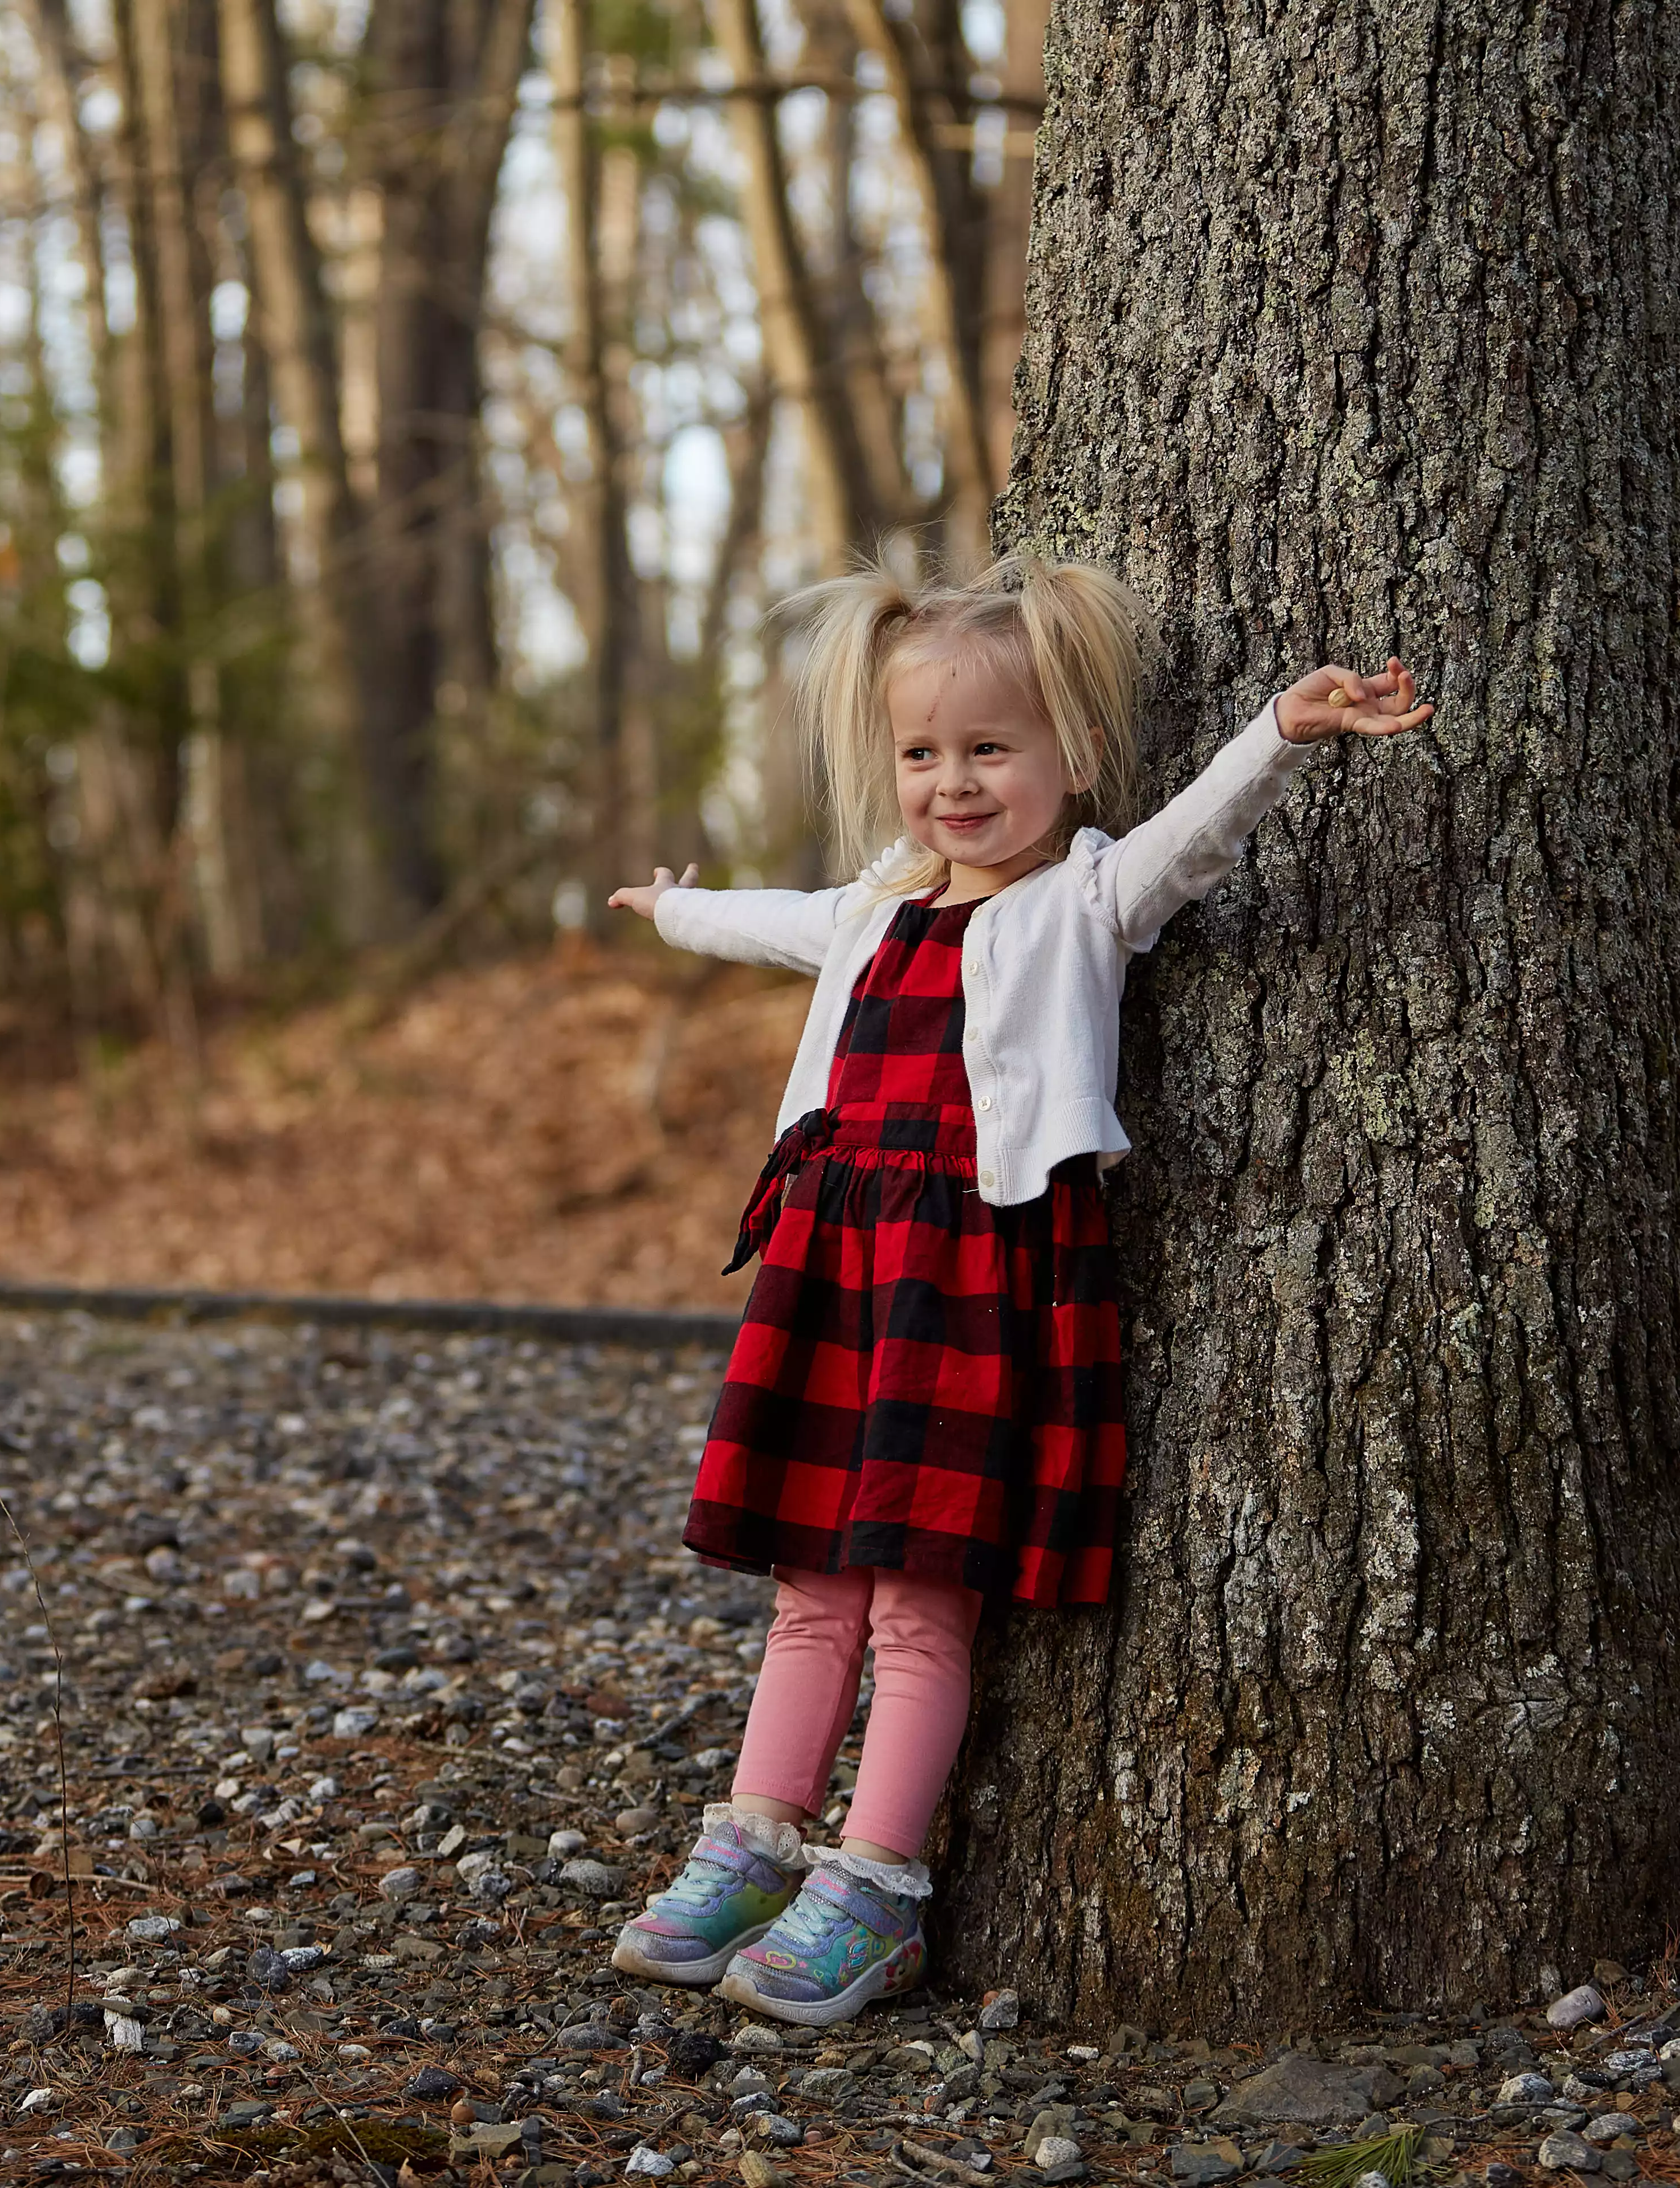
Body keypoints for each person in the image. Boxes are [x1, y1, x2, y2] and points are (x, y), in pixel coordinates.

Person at [598, 557, 1431, 2026]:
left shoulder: (1088, 901)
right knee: (813, 1583)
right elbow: (780, 920)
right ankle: (754, 1838)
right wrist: (675, 912)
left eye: (991, 750)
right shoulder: (877, 906)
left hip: (975, 1276)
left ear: (1072, 758)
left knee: (923, 1598)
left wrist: (1280, 735)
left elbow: (1196, 838)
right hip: (841, 1266)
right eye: (924, 755)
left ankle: (874, 1884)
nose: (955, 783)